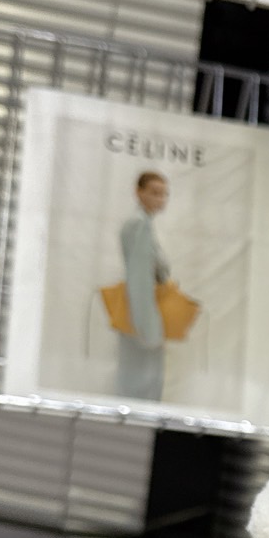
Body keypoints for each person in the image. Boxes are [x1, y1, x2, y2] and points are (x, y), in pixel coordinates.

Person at [117, 170, 170, 402]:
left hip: (142, 314)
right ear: (139, 193)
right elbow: (140, 280)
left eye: (164, 194)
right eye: (155, 193)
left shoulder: (144, 224)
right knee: (141, 388)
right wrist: (147, 329)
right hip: (142, 317)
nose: (161, 199)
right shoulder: (139, 225)